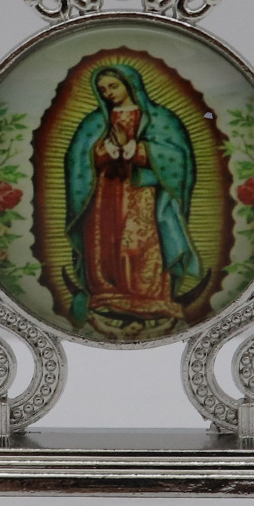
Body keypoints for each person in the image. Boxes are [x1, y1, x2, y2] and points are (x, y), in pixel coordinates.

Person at [64, 64, 202, 334]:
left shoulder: (160, 119)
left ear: (130, 84)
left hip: (143, 193)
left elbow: (177, 158)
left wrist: (136, 149)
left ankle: (148, 295)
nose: (108, 93)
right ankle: (106, 292)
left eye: (113, 86)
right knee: (106, 239)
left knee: (140, 240)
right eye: (103, 89)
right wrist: (103, 151)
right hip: (104, 193)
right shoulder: (94, 123)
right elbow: (77, 160)